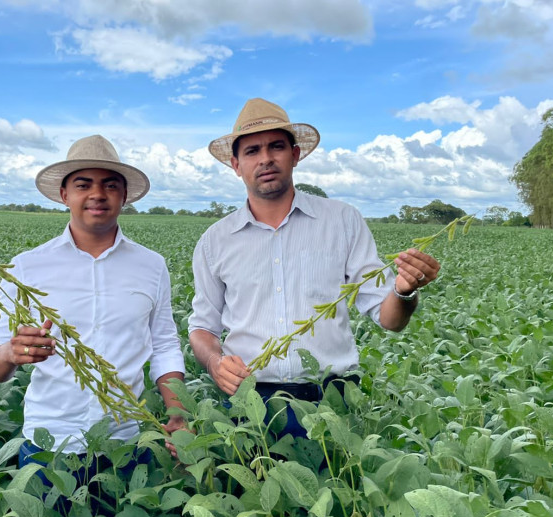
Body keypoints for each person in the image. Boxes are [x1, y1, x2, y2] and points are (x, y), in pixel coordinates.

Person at [188, 98, 440, 431]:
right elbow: (202, 328)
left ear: (295, 154)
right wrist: (215, 362)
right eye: (252, 151)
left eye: (276, 146)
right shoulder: (215, 241)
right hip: (249, 403)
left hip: (332, 399)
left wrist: (405, 291)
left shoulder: (342, 221)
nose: (265, 159)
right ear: (236, 165)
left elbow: (390, 319)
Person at [0, 134, 186, 466]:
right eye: (83, 184)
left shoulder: (151, 265)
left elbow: (163, 344)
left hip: (127, 444)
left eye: (110, 185)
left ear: (125, 196)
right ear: (64, 195)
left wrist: (179, 412)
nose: (97, 195)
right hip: (49, 446)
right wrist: (10, 352)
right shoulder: (26, 267)